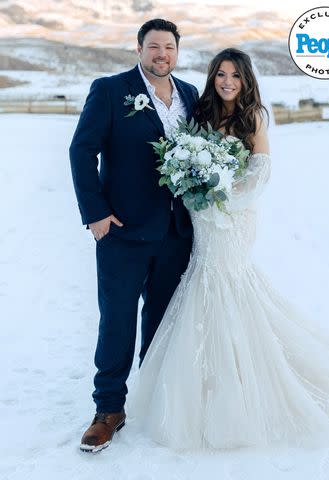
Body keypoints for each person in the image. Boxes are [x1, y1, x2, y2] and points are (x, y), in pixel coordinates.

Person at [130, 48, 329, 450]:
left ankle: (254, 380)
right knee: (203, 279)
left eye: (235, 76)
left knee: (228, 280)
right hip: (203, 216)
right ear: (212, 77)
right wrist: (196, 189)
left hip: (235, 215)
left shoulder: (252, 115)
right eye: (220, 74)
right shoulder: (200, 112)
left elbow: (260, 171)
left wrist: (225, 196)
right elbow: (187, 159)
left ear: (246, 79)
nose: (227, 82)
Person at [69, 19, 199, 453]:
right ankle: (108, 409)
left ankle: (154, 398)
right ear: (139, 49)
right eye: (154, 46)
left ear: (178, 52)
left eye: (169, 47)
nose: (162, 54)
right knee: (118, 322)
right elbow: (82, 150)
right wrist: (96, 214)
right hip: (121, 231)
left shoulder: (190, 95)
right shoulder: (109, 90)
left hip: (176, 233)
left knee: (163, 323)